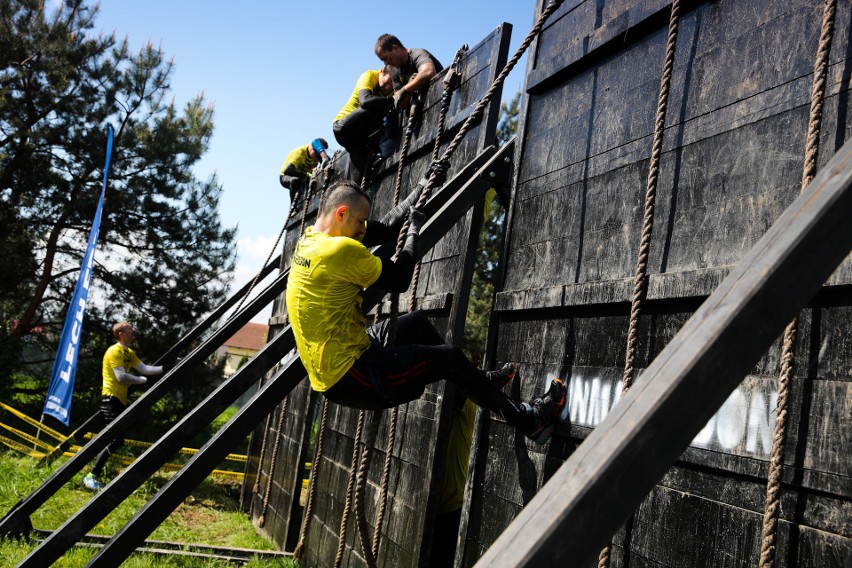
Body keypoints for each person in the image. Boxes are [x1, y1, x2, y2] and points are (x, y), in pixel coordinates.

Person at [285, 179, 565, 446]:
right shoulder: (339, 249)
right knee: (450, 358)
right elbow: (399, 280)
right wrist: (413, 232)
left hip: (343, 356)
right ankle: (530, 422)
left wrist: (419, 189)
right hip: (353, 377)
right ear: (342, 213)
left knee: (416, 323)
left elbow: (383, 229)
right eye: (359, 222)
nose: (362, 230)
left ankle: (473, 384)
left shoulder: (311, 239)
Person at [83, 322, 165, 490]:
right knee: (115, 439)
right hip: (110, 398)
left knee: (116, 440)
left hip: (120, 400)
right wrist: (140, 381)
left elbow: (145, 369)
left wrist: (165, 368)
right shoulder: (114, 351)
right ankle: (91, 476)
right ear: (121, 334)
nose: (133, 331)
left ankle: (93, 474)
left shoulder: (129, 352)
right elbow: (121, 377)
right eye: (129, 329)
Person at [333, 67, 394, 184]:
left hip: (359, 141)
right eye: (389, 80)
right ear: (382, 72)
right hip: (343, 127)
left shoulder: (391, 89)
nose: (390, 86)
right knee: (373, 106)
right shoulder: (369, 76)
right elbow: (365, 101)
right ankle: (375, 149)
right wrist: (391, 99)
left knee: (358, 180)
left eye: (393, 84)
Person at [374, 34, 443, 110]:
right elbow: (400, 103)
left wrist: (406, 89)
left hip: (441, 102)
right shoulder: (394, 71)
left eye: (386, 58)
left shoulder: (417, 54)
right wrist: (409, 90)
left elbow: (428, 71)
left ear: (395, 48)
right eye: (383, 60)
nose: (386, 63)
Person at [279, 138, 330, 207]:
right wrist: (306, 174)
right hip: (286, 176)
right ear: (312, 148)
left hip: (303, 178)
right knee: (295, 181)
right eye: (317, 154)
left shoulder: (315, 157)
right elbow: (288, 170)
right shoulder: (299, 152)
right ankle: (294, 206)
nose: (317, 158)